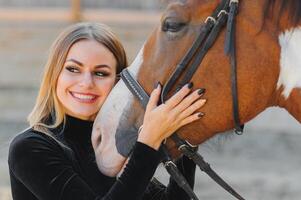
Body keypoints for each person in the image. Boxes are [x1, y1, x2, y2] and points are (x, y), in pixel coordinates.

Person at [8, 22, 206, 200]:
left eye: (100, 73)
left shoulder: (113, 143)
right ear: (55, 75)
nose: (86, 83)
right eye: (73, 69)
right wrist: (148, 143)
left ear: (117, 82)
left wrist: (187, 136)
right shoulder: (29, 148)